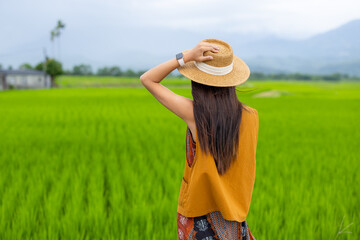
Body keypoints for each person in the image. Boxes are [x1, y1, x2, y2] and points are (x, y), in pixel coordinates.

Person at [140, 38, 258, 240]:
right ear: (231, 79)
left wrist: (184, 57)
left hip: (199, 217)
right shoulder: (251, 116)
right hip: (234, 218)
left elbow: (148, 79)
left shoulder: (195, 114)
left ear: (197, 80)